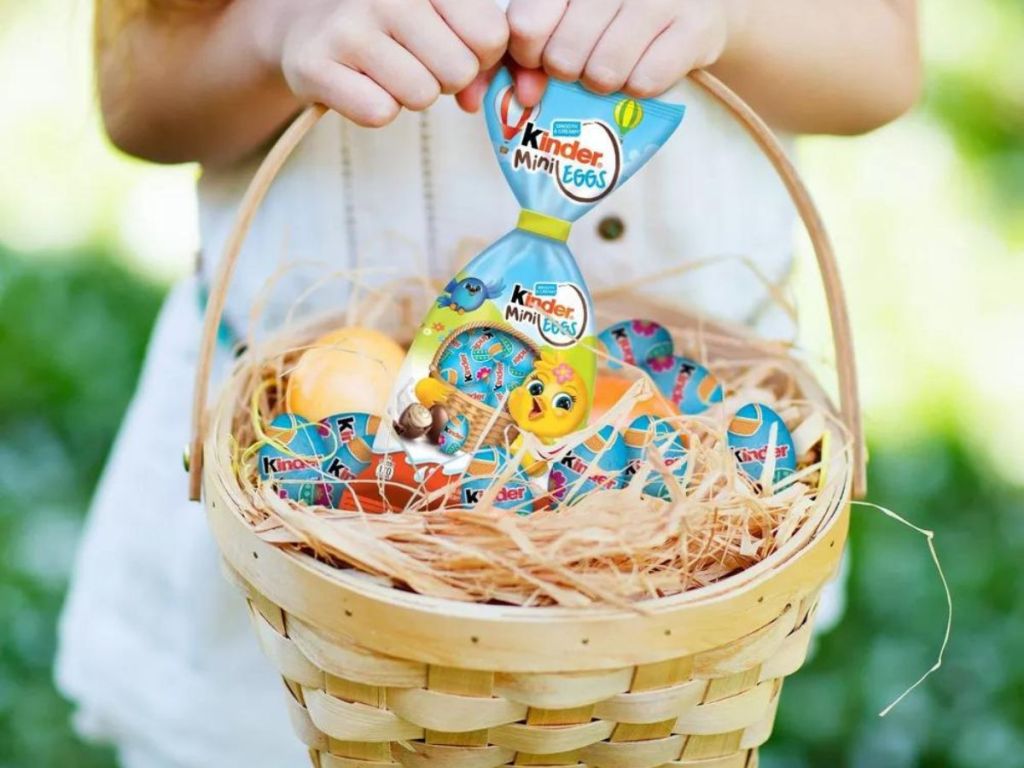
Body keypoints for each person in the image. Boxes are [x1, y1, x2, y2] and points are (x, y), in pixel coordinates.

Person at [58, 1, 920, 766]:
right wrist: (275, 31)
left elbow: (883, 58)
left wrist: (735, 17)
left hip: (676, 579)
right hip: (302, 560)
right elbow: (139, 94)